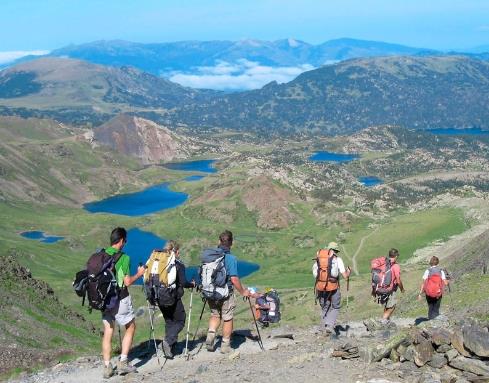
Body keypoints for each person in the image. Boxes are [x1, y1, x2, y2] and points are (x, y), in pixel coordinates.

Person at [101, 227, 146, 379]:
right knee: (131, 326)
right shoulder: (124, 258)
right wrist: (139, 274)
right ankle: (123, 362)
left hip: (104, 300)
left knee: (108, 331)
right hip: (119, 298)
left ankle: (107, 367)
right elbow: (126, 282)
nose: (125, 243)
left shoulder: (102, 254)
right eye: (125, 241)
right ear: (120, 241)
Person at [205, 230, 257, 353]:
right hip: (225, 293)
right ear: (231, 243)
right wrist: (243, 291)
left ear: (219, 241)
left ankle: (211, 335)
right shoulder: (230, 258)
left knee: (215, 314)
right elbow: (234, 278)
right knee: (227, 317)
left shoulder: (210, 256)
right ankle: (225, 345)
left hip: (210, 292)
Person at [158, 241, 195, 358]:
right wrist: (192, 284)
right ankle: (168, 342)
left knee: (169, 321)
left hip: (159, 296)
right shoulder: (178, 265)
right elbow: (183, 282)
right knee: (180, 320)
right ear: (176, 251)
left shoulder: (160, 262)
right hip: (172, 297)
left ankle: (170, 347)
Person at [312, 241, 351, 334]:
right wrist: (349, 272)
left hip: (320, 286)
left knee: (325, 307)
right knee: (336, 307)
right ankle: (329, 325)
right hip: (333, 286)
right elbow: (345, 276)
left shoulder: (319, 259)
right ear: (335, 251)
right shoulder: (337, 259)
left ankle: (322, 327)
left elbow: (314, 273)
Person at [379, 248, 405, 323]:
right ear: (396, 256)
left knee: (387, 306)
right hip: (390, 289)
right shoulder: (395, 266)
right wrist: (402, 289)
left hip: (381, 288)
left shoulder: (384, 263)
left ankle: (386, 321)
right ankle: (382, 322)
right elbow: (398, 280)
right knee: (391, 307)